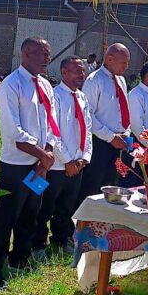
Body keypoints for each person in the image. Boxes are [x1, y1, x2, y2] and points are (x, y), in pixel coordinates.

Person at [0, 36, 58, 290]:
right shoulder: (11, 85)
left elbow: (52, 126)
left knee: (31, 211)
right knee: (7, 214)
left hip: (39, 165)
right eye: (42, 53)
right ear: (26, 53)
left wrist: (45, 159)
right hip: (16, 165)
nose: (47, 58)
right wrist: (42, 156)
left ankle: (20, 258)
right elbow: (14, 133)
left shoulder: (46, 86)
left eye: (48, 54)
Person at [33, 56, 92, 258]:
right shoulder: (55, 96)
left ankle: (61, 238)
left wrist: (84, 158)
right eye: (77, 71)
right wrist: (66, 160)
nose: (81, 75)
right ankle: (37, 243)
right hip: (57, 164)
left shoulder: (82, 98)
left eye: (83, 71)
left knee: (67, 206)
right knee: (45, 206)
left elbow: (88, 130)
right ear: (64, 72)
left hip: (77, 164)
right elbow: (53, 131)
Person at [77, 43, 133, 200]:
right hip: (100, 142)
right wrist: (111, 137)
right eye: (123, 62)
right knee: (92, 185)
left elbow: (123, 110)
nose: (126, 67)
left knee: (109, 185)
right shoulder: (94, 80)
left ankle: (102, 221)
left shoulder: (121, 81)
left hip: (118, 141)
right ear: (110, 59)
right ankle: (83, 221)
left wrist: (125, 132)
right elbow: (89, 116)